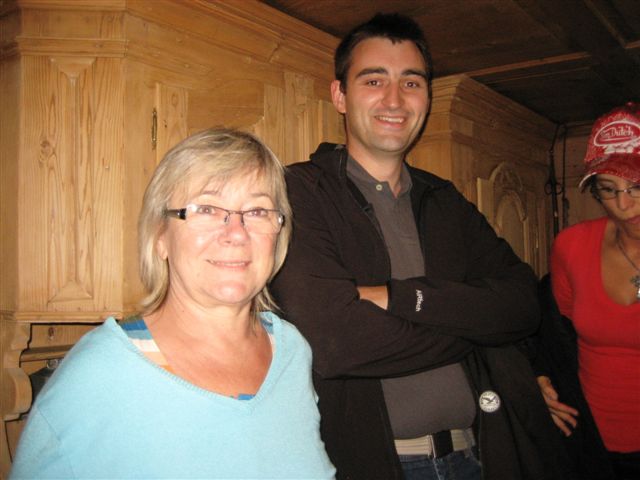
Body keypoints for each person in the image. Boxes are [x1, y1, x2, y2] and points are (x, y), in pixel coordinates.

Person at [271, 13, 569, 480]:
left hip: (478, 454)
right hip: (373, 465)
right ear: (340, 96)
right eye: (374, 80)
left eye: (411, 83)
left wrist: (400, 298)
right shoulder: (298, 192)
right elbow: (337, 343)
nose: (394, 99)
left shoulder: (444, 198)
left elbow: (522, 304)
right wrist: (477, 325)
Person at [10, 128, 336, 479]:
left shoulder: (291, 352)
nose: (237, 233)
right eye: (206, 209)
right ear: (159, 236)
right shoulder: (100, 376)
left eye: (257, 211)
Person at [535, 102, 640, 480]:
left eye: (637, 186)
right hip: (590, 445)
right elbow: (553, 333)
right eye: (608, 189)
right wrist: (540, 378)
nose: (623, 204)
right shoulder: (572, 246)